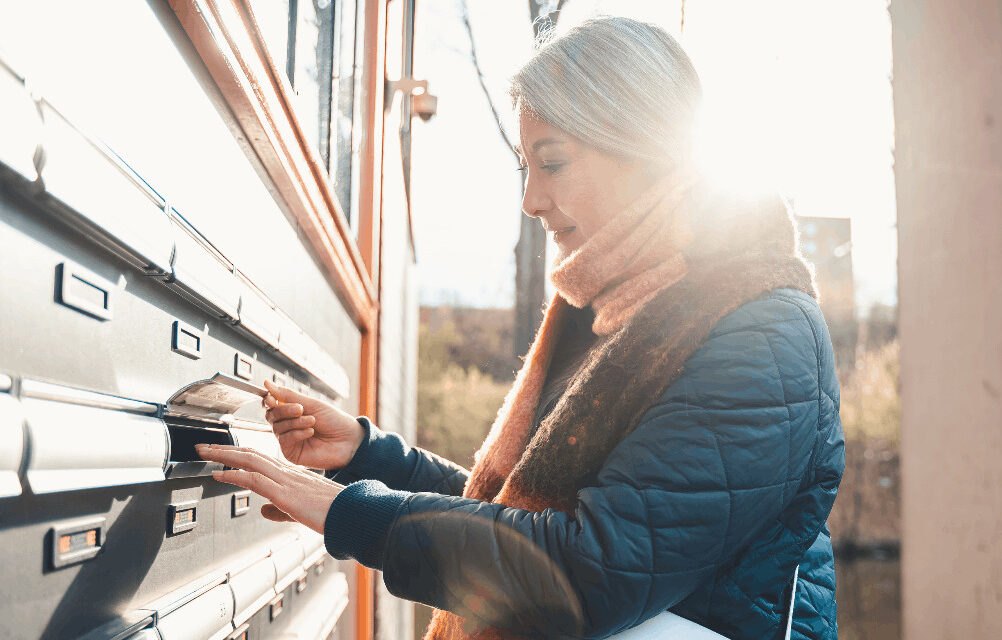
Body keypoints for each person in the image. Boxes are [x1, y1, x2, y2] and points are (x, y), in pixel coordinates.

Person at [196, 15, 844, 640]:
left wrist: (354, 514)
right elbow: (524, 513)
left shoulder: (759, 334)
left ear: (644, 145)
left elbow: (588, 572)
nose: (531, 200)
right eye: (524, 168)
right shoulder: (620, 314)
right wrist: (370, 457)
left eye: (552, 161)